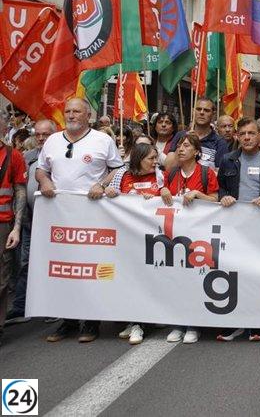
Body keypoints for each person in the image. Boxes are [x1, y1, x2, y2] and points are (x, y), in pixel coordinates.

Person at [37, 98, 124, 343]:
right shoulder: (53, 141)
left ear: (88, 115)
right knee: (64, 268)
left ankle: (90, 321)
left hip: (92, 217)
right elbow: (41, 169)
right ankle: (67, 321)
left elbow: (117, 169)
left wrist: (101, 184)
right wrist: (44, 181)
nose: (71, 115)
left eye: (77, 111)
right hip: (60, 217)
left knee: (90, 268)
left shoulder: (102, 140)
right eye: (68, 111)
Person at [216, 118, 260, 342]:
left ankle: (257, 323)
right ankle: (234, 323)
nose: (246, 137)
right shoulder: (227, 160)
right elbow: (221, 187)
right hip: (234, 228)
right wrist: (223, 197)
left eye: (251, 133)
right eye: (242, 133)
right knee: (233, 274)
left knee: (256, 275)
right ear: (237, 136)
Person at [159, 133, 219, 344]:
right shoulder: (172, 173)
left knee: (196, 278)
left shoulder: (206, 173)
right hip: (175, 237)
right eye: (179, 146)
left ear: (196, 151)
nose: (181, 150)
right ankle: (178, 323)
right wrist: (163, 188)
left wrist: (198, 194)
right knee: (177, 280)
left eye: (186, 146)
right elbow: (161, 197)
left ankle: (194, 324)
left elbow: (215, 199)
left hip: (199, 236)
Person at [104, 143, 163, 345]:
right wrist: (111, 194)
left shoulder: (160, 176)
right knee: (130, 280)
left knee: (146, 281)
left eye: (156, 158)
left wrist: (155, 199)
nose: (156, 162)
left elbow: (170, 200)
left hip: (151, 239)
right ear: (138, 159)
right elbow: (107, 194)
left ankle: (141, 324)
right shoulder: (122, 175)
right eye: (151, 159)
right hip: (127, 238)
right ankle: (132, 319)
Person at [4, 120, 56, 326]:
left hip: (56, 223)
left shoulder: (61, 155)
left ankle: (53, 306)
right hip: (29, 220)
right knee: (26, 262)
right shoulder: (27, 157)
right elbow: (19, 185)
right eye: (39, 134)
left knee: (55, 264)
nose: (42, 138)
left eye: (46, 134)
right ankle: (20, 306)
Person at [0, 116, 27, 349]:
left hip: (3, 225)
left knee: (1, 278)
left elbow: (20, 191)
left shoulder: (13, 156)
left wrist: (16, 228)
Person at [166, 98, 228, 169]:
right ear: (193, 111)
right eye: (198, 109)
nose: (201, 112)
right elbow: (168, 167)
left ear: (213, 114)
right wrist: (183, 143)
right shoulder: (180, 135)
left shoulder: (220, 143)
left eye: (206, 110)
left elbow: (219, 174)